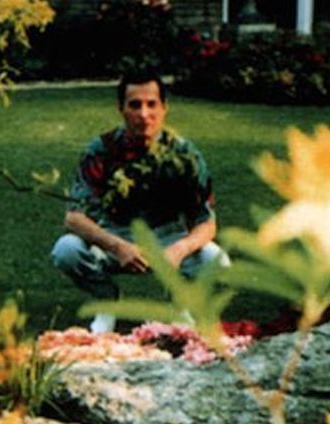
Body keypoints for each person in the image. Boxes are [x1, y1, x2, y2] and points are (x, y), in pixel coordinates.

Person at [51, 71, 229, 333]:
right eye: (135, 105)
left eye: (151, 104)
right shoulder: (101, 150)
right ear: (121, 109)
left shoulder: (185, 155)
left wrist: (179, 250)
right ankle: (106, 301)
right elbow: (74, 216)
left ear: (164, 108)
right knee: (66, 250)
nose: (144, 114)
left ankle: (181, 304)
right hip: (113, 235)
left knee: (216, 259)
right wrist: (118, 246)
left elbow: (206, 222)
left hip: (167, 237)